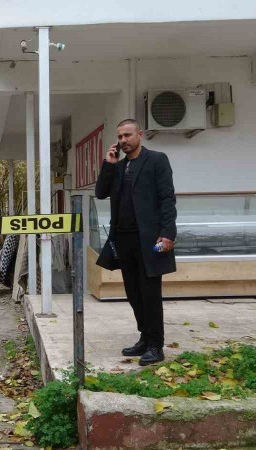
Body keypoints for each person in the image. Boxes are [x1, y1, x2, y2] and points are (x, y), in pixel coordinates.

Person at [95, 118, 177, 366]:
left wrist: (168, 233)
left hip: (150, 240)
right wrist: (108, 165)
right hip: (124, 239)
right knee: (133, 293)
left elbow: (167, 198)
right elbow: (100, 193)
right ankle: (144, 337)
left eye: (128, 135)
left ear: (140, 134)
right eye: (120, 136)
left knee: (150, 293)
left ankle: (156, 345)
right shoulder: (119, 167)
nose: (124, 140)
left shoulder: (157, 160)